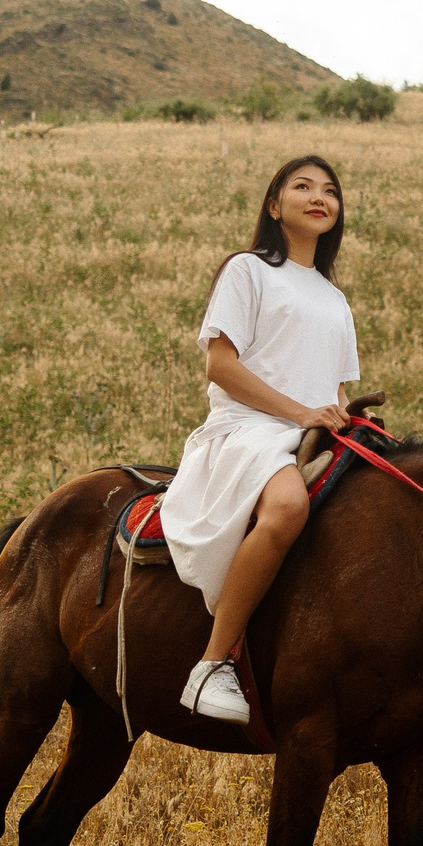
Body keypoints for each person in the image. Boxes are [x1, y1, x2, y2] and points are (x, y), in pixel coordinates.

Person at [166, 155, 361, 723]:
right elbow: (220, 366)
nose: (318, 196)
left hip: (309, 433)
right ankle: (212, 665)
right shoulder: (247, 270)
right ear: (275, 207)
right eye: (302, 187)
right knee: (285, 507)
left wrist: (344, 420)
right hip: (247, 430)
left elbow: (340, 391)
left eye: (330, 190)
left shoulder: (334, 298)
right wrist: (302, 413)